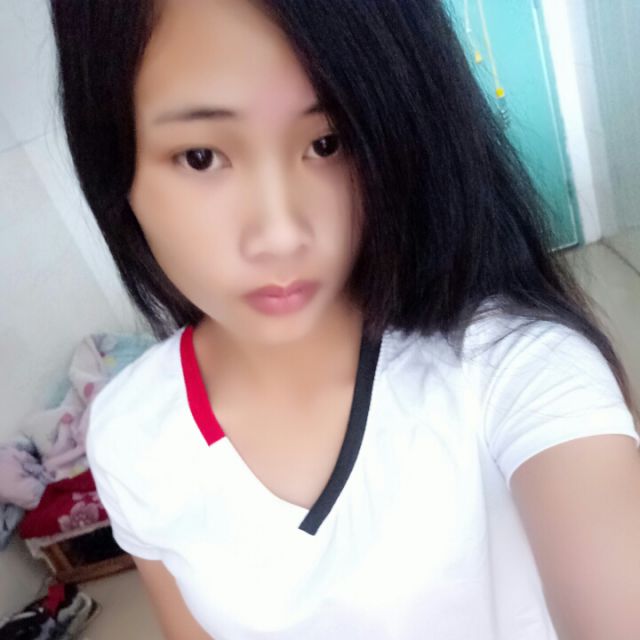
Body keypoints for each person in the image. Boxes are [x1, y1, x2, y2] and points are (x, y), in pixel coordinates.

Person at [48, 1, 640, 638]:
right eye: (200, 156)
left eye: (326, 144)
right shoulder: (129, 432)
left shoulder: (514, 366)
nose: (280, 234)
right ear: (117, 167)